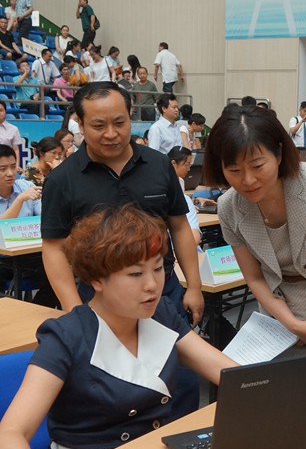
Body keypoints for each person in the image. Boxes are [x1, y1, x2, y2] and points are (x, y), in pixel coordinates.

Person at [0, 205, 238, 449]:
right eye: (135, 273)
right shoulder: (66, 336)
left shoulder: (161, 313)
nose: (152, 284)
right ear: (97, 280)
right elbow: (9, 434)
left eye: (157, 268)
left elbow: (228, 372)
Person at [204, 105, 306, 355]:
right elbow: (255, 278)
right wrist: (293, 325)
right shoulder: (229, 208)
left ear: (279, 154)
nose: (247, 180)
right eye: (234, 170)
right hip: (281, 321)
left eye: (258, 166)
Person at [40, 81, 205, 329]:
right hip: (99, 298)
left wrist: (193, 286)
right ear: (81, 125)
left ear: (130, 117)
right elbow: (54, 248)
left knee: (175, 353)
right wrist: (75, 310)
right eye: (98, 125)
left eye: (119, 122)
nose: (111, 133)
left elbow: (179, 226)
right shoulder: (62, 180)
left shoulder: (159, 165)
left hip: (162, 292)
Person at [168, 146, 202, 248]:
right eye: (186, 165)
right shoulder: (168, 184)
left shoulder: (180, 183)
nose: (188, 169)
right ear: (173, 164)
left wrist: (193, 201)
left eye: (189, 165)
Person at [0, 143, 40, 219]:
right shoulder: (23, 195)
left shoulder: (28, 187)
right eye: (2, 169)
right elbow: (2, 225)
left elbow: (46, 216)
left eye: (13, 167)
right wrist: (19, 200)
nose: (10, 173)